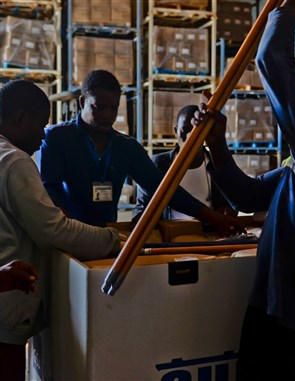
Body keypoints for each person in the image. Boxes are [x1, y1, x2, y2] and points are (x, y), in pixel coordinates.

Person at [193, 0, 295, 378]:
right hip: (272, 313)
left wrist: (289, 8)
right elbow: (248, 196)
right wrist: (217, 144)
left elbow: (270, 59)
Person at [0, 80, 122, 381]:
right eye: (40, 125)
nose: (42, 135)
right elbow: (53, 230)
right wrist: (112, 239)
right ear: (19, 118)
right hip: (6, 314)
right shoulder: (16, 161)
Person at [40, 70, 242, 235]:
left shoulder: (126, 147)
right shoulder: (57, 138)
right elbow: (49, 187)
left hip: (105, 234)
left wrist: (212, 217)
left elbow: (163, 188)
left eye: (113, 109)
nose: (107, 116)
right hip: (67, 234)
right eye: (99, 107)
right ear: (82, 102)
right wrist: (62, 220)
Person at [132, 105, 236, 225]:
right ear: (175, 131)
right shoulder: (158, 165)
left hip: (208, 234)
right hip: (171, 236)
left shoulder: (218, 165)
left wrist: (227, 212)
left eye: (196, 132)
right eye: (184, 131)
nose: (189, 137)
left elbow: (232, 203)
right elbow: (141, 208)